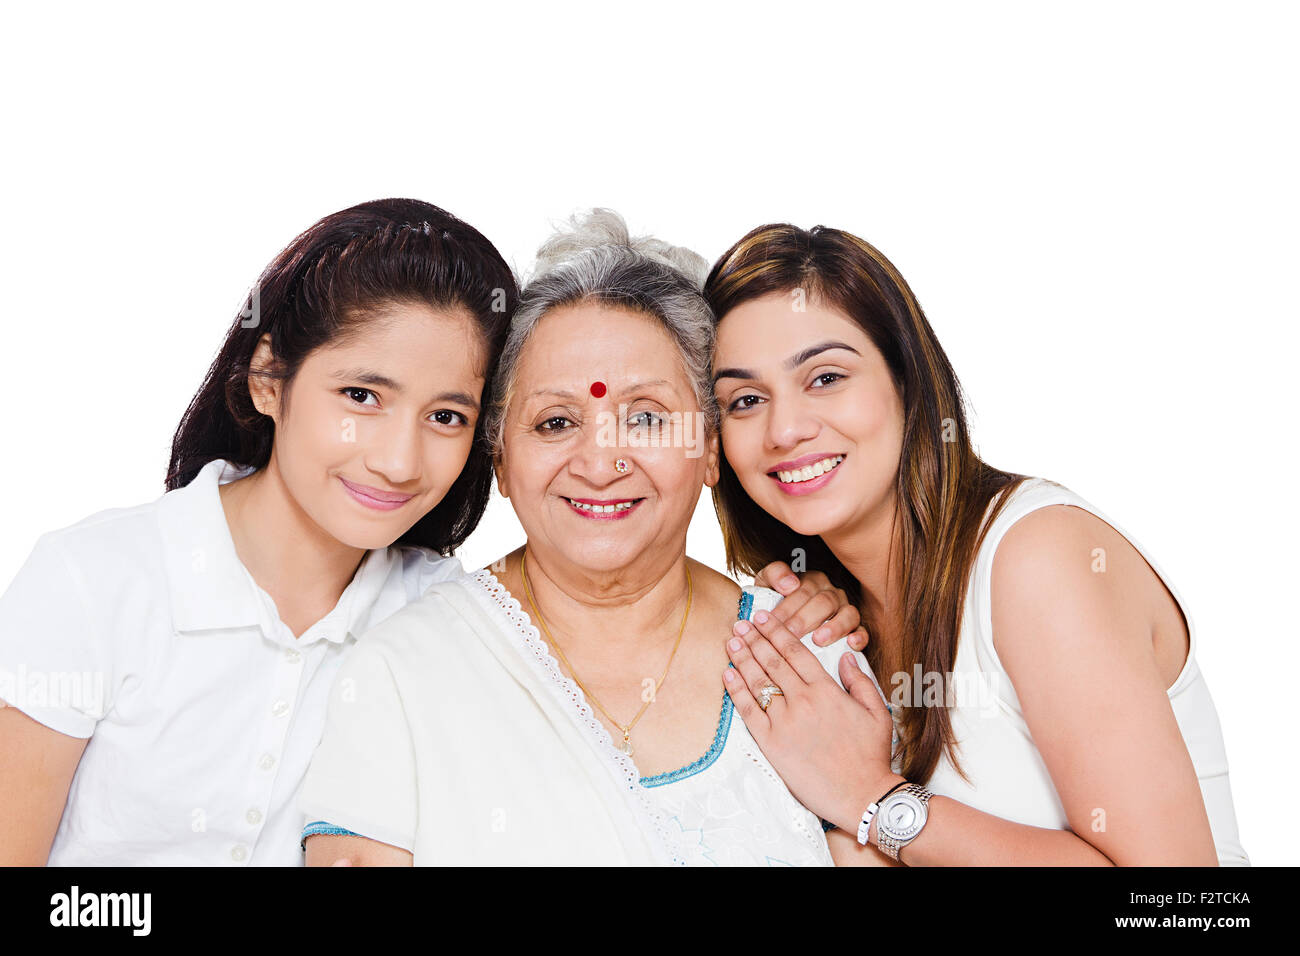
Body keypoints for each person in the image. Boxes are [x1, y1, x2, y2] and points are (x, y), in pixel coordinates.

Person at [299, 210, 875, 866]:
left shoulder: (808, 659)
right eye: (554, 422)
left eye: (646, 418)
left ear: (711, 448)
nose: (601, 464)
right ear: (501, 462)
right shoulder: (403, 673)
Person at [705, 222, 1249, 865]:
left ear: (906, 380)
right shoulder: (822, 622)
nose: (785, 429)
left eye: (825, 377)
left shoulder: (1037, 560)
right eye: (744, 400)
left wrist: (871, 801)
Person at [0, 198, 520, 865]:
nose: (398, 460)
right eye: (361, 397)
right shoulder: (95, 581)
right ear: (269, 379)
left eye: (446, 416)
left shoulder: (450, 619)